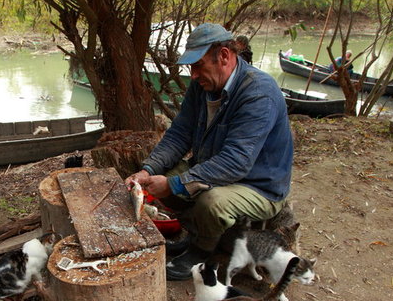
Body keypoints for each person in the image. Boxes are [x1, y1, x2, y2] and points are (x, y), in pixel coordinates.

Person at [125, 23, 293, 281]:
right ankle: (199, 235)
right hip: (218, 169)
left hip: (259, 186)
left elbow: (236, 162)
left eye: (198, 65)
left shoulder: (259, 92)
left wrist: (175, 185)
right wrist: (148, 170)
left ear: (224, 56)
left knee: (210, 201)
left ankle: (200, 252)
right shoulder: (202, 86)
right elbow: (180, 133)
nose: (193, 75)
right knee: (165, 175)